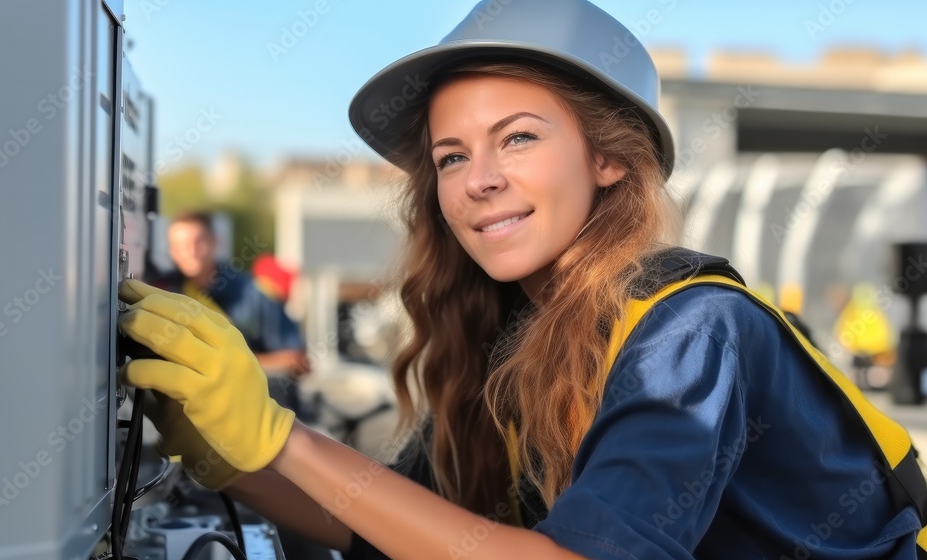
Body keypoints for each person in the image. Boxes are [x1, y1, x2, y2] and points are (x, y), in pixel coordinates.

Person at [117, 1, 923, 558]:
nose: (480, 180)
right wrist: (228, 456)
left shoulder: (692, 331)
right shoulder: (509, 342)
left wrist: (283, 435)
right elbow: (385, 526)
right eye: (452, 157)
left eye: (520, 138)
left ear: (609, 159)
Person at [155, 211, 310, 403]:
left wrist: (232, 364)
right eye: (179, 245)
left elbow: (299, 361)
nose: (190, 251)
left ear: (215, 242)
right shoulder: (163, 291)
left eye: (198, 241)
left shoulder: (254, 292)